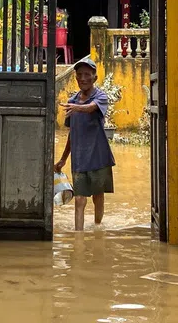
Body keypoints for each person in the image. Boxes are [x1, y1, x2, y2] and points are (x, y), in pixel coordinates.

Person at [55, 56, 115, 231]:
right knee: (80, 199)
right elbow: (72, 134)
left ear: (94, 78)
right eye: (79, 74)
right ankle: (78, 237)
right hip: (79, 159)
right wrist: (63, 159)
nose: (83, 78)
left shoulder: (100, 96)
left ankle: (97, 228)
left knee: (98, 196)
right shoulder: (72, 102)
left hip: (98, 157)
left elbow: (91, 107)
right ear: (76, 78)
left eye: (87, 74)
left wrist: (77, 108)